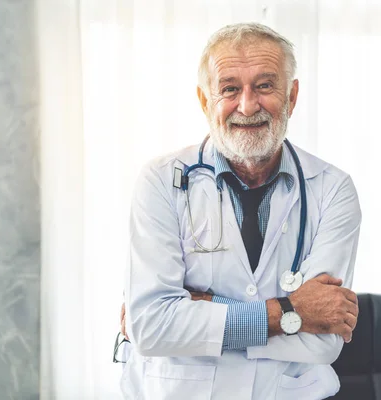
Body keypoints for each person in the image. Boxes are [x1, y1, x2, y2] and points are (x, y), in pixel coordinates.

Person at [120, 22, 362, 400]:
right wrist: (288, 313)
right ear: (205, 101)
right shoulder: (161, 181)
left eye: (265, 85)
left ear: (292, 96)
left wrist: (202, 308)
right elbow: (151, 326)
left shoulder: (332, 189)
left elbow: (324, 340)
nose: (248, 106)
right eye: (229, 89)